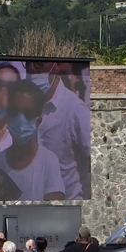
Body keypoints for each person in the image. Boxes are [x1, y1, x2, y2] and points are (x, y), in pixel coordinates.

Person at [0, 79, 66, 201]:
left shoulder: (48, 162)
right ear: (7, 115)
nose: (20, 119)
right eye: (14, 111)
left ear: (38, 121)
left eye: (28, 113)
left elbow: (55, 211)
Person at [25, 60, 92, 199]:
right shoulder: (23, 107)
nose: (32, 68)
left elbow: (95, 158)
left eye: (38, 64)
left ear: (56, 66)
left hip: (67, 204)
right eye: (28, 64)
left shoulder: (75, 109)